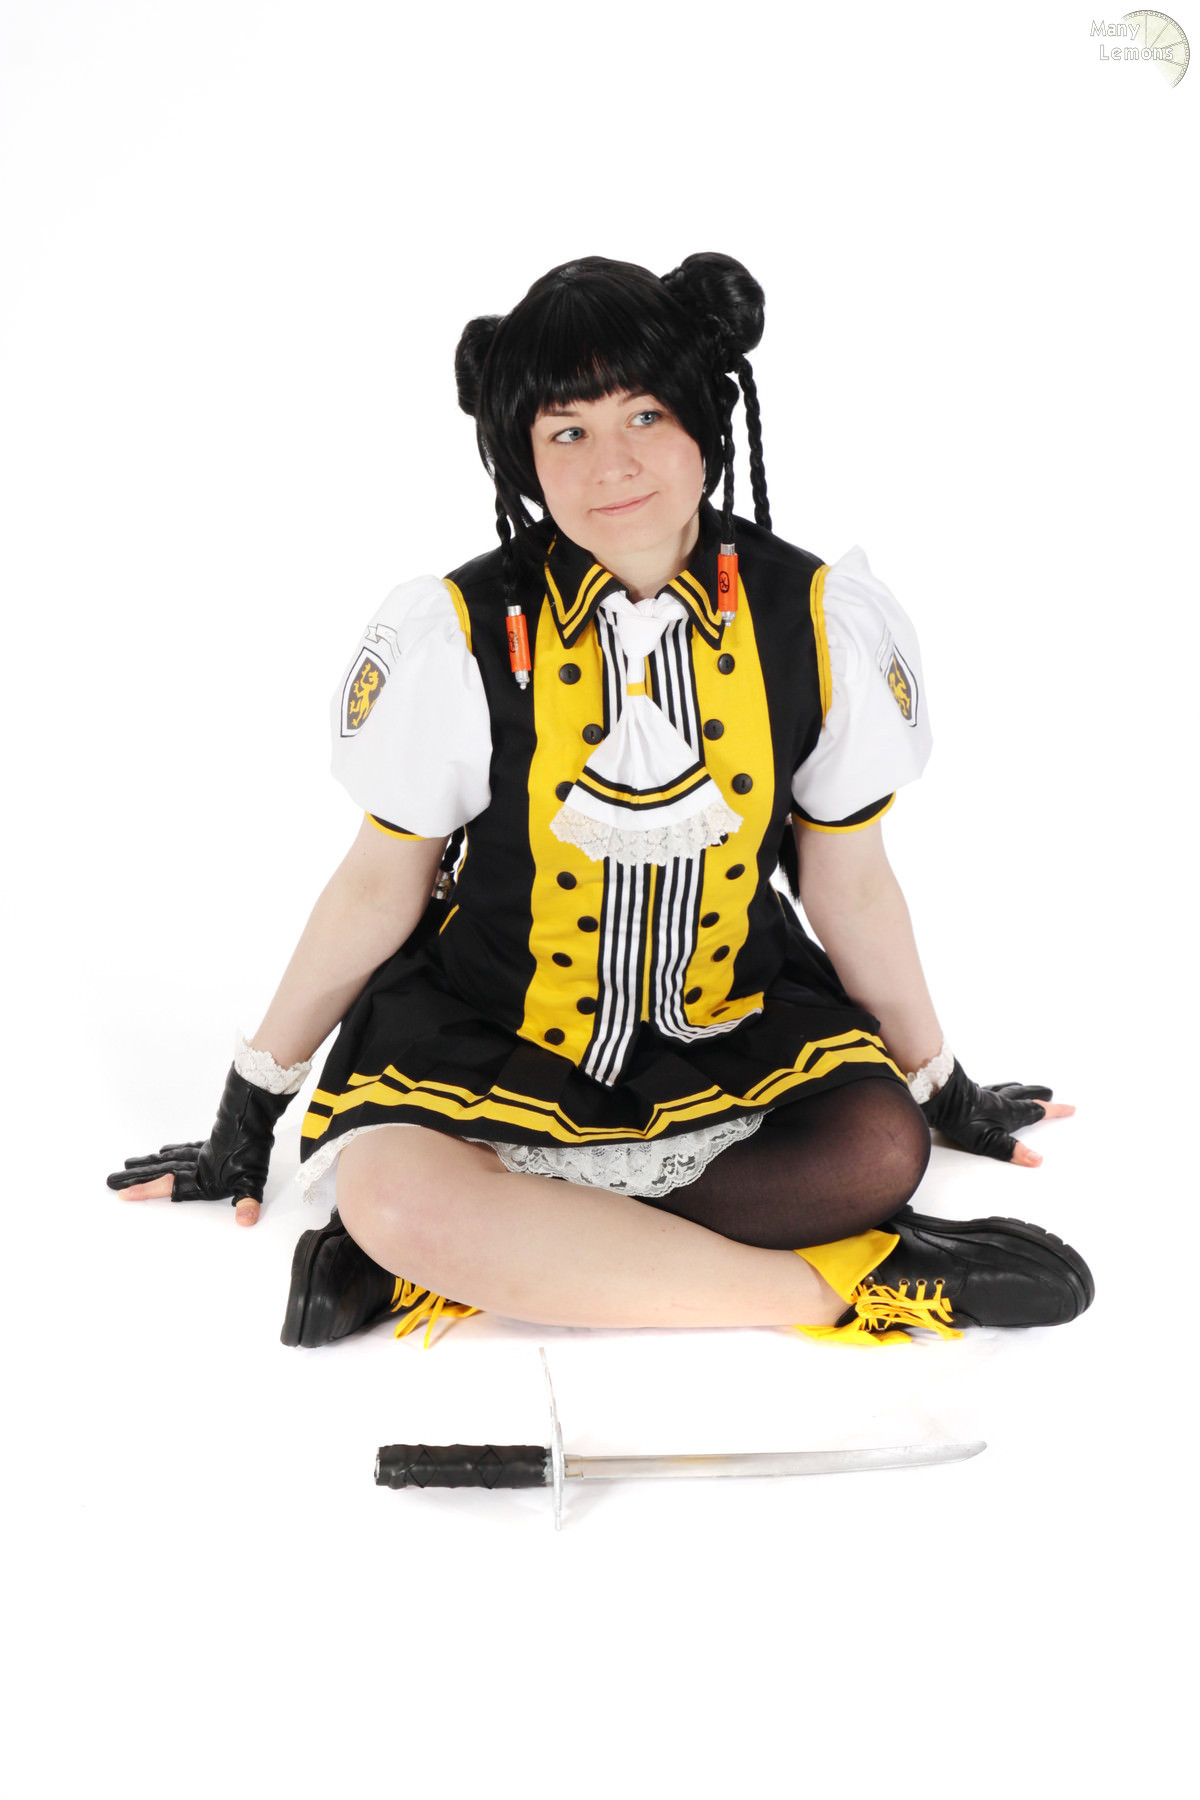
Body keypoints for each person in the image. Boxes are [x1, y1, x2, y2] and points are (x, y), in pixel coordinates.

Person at [108, 253, 1092, 1348]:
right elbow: (379, 887)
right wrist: (247, 1112)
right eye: (567, 431)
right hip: (493, 1023)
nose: (612, 464)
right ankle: (848, 1282)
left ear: (705, 420)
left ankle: (486, 1250)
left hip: (728, 1016)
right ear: (524, 457)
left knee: (875, 1154)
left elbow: (849, 885)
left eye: (645, 416)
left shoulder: (816, 620)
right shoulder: (459, 632)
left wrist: (941, 1086)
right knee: (394, 1193)